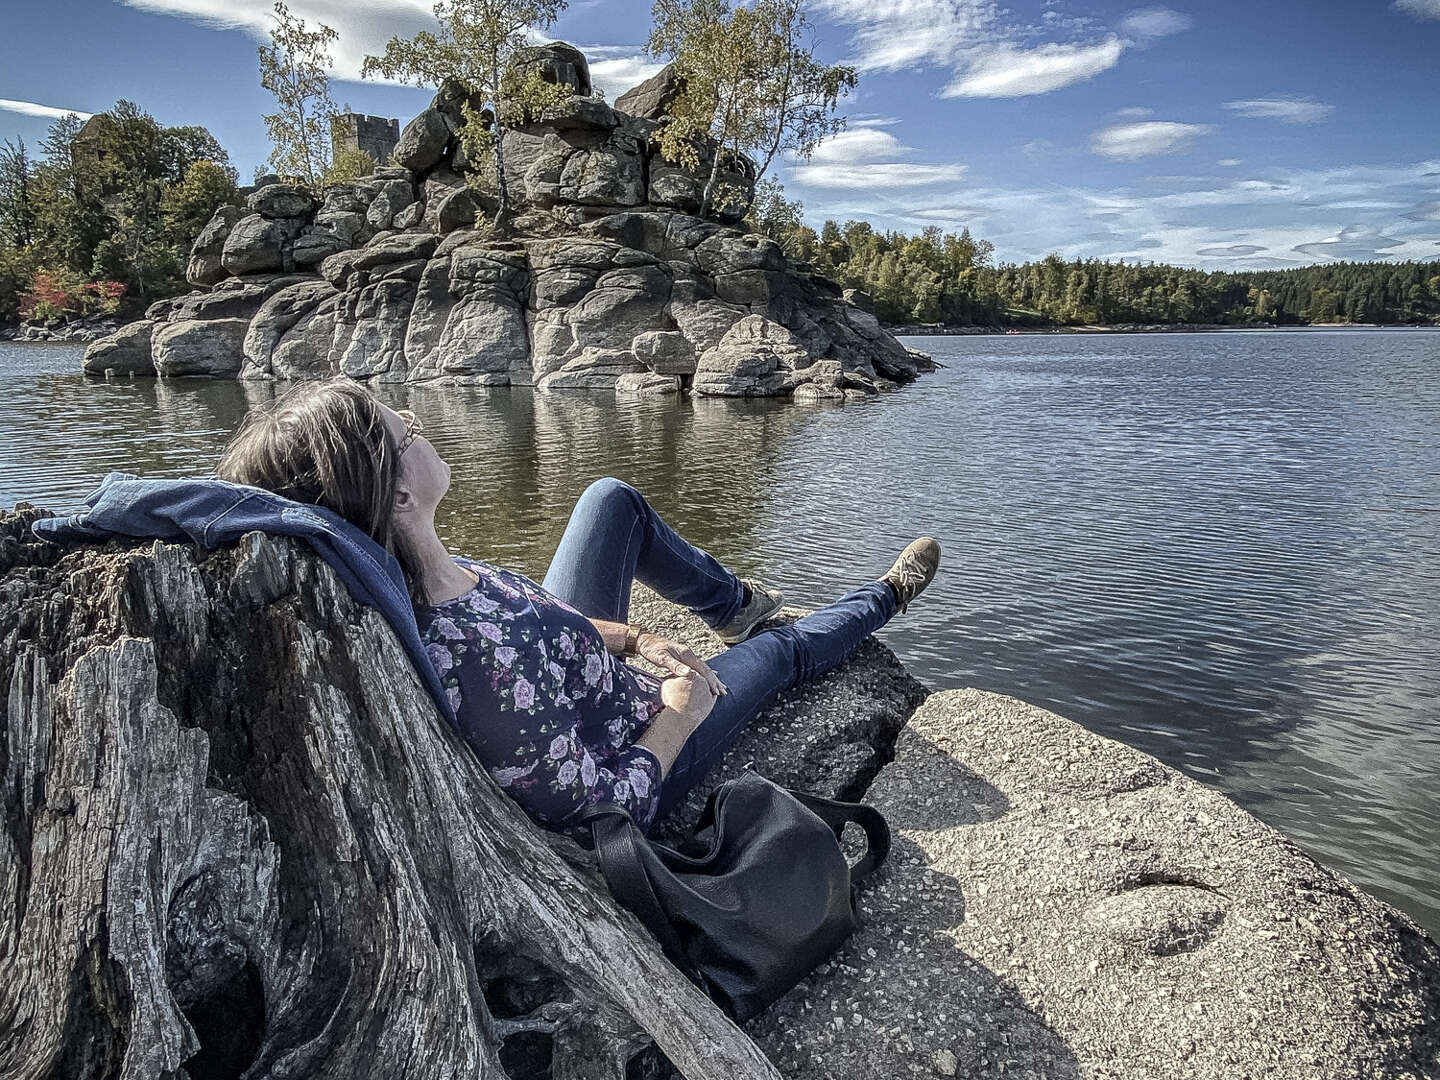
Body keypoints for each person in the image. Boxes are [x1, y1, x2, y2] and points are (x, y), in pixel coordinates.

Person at [216, 379, 941, 834]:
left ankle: (735, 604)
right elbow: (602, 812)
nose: (417, 422)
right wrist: (679, 714)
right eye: (404, 428)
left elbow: (534, 611)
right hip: (635, 739)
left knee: (609, 501)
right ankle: (884, 598)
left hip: (580, 668)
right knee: (780, 654)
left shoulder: (415, 568)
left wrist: (637, 641)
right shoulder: (476, 668)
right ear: (399, 498)